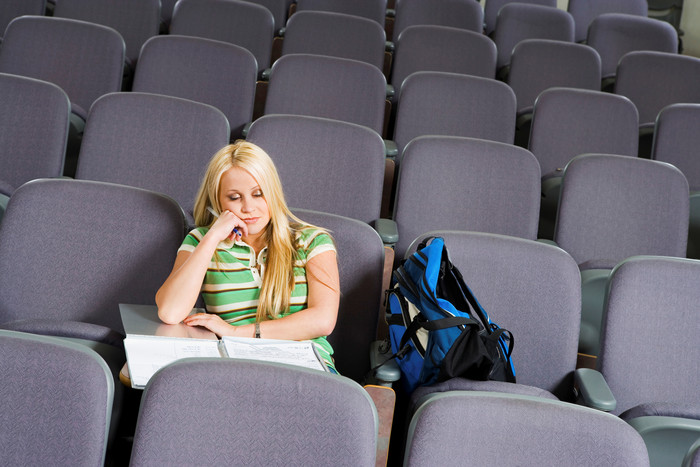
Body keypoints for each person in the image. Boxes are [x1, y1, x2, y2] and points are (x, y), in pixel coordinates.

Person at [156, 141, 340, 371]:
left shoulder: (312, 241)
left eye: (258, 194)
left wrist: (236, 333)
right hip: (237, 369)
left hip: (305, 370)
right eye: (234, 197)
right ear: (217, 200)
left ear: (272, 193)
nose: (248, 207)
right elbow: (170, 311)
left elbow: (323, 321)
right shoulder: (201, 240)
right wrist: (213, 237)